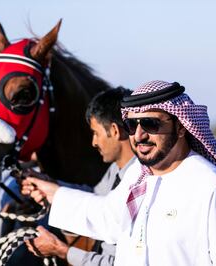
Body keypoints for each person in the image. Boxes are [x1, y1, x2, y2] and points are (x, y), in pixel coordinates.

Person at [22, 80, 216, 265]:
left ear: (181, 126)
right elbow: (107, 218)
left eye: (150, 124)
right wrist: (53, 192)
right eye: (132, 126)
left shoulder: (210, 186)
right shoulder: (139, 177)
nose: (139, 135)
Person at [25, 87, 136, 265]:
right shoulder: (116, 170)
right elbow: (94, 197)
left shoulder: (140, 183)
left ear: (115, 130)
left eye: (96, 133)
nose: (94, 142)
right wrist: (51, 186)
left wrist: (61, 250)